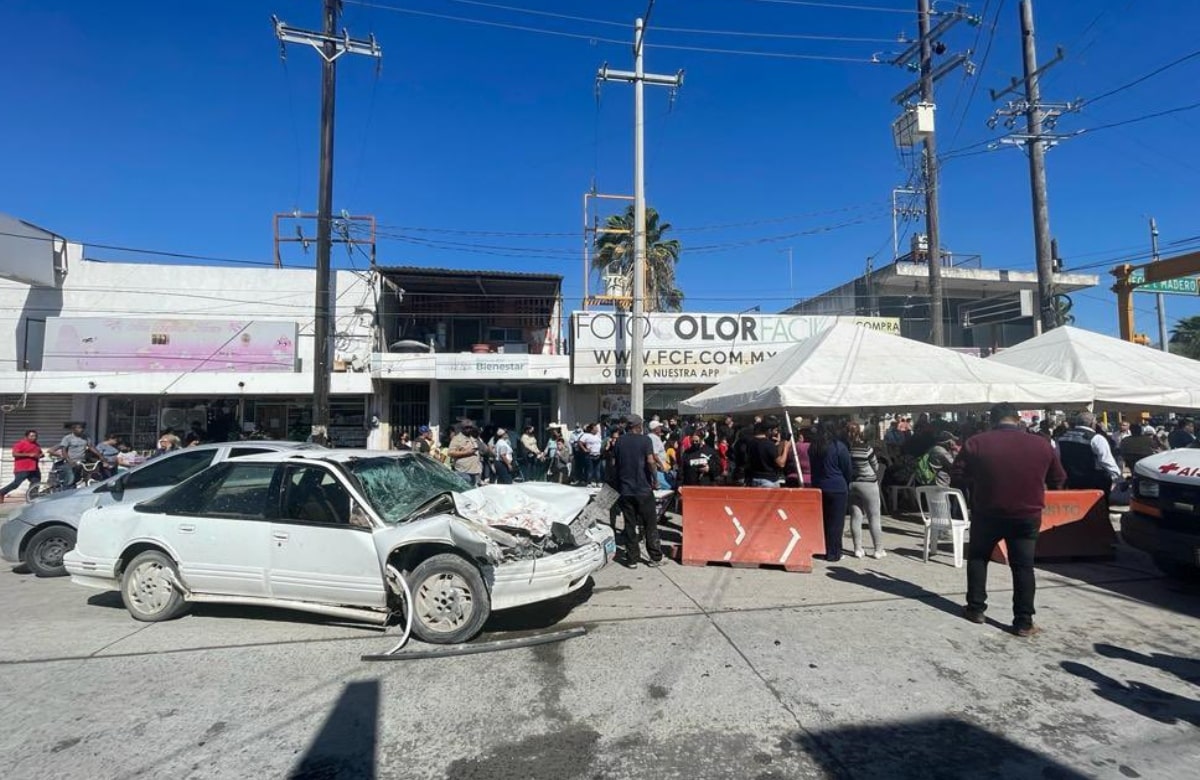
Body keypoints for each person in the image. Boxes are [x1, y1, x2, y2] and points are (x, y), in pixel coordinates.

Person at [952, 402, 1067, 637]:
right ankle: (1023, 622)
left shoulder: (976, 442)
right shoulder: (1041, 444)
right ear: (1018, 419)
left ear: (992, 421)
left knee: (978, 558)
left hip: (987, 512)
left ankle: (975, 609)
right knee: (1023, 567)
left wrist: (980, 483)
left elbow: (957, 475)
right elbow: (1059, 478)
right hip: (1027, 515)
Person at [612, 414, 662, 568]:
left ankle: (632, 559)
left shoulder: (619, 441)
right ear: (638, 426)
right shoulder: (645, 440)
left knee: (630, 524)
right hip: (643, 489)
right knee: (650, 524)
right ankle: (655, 557)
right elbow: (650, 461)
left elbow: (614, 463)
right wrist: (655, 479)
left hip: (626, 490)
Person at [809, 420, 854, 562]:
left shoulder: (813, 447)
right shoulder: (839, 447)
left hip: (818, 486)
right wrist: (847, 482)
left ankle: (821, 549)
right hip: (837, 487)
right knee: (836, 522)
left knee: (822, 520)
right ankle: (834, 552)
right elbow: (847, 468)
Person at [1056, 412, 1121, 496]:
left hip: (1070, 480)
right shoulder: (1096, 438)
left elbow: (1057, 458)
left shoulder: (1062, 438)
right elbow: (1106, 461)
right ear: (1092, 423)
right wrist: (1118, 477)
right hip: (1093, 481)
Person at [846, 421, 885, 559]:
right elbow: (875, 466)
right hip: (868, 484)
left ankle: (857, 549)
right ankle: (878, 549)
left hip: (853, 483)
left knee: (855, 516)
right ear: (860, 432)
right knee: (874, 517)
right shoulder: (866, 448)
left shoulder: (847, 449)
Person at [0, 430, 44, 502]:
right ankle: (1, 492)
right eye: (32, 436)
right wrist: (29, 455)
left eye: (35, 436)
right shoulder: (20, 444)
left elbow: (40, 453)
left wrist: (41, 455)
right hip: (22, 468)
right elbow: (14, 454)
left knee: (36, 483)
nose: (34, 437)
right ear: (26, 437)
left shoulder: (37, 445)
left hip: (34, 468)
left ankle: (33, 497)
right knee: (16, 484)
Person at [743, 420, 785, 487]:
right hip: (769, 480)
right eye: (775, 430)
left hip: (754, 478)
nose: (776, 433)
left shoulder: (750, 443)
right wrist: (786, 448)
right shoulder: (768, 444)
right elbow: (781, 463)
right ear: (769, 430)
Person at [448, 421, 484, 487]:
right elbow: (450, 453)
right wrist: (467, 453)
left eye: (470, 427)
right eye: (467, 427)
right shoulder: (457, 439)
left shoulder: (473, 438)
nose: (469, 429)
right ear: (462, 428)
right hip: (463, 471)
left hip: (474, 470)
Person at [577, 422, 603, 486]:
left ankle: (598, 481)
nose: (596, 429)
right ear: (591, 430)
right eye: (595, 428)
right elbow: (580, 442)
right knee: (590, 470)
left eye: (597, 428)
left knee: (597, 470)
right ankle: (589, 482)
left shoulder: (598, 435)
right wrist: (585, 449)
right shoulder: (586, 435)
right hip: (590, 455)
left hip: (598, 454)